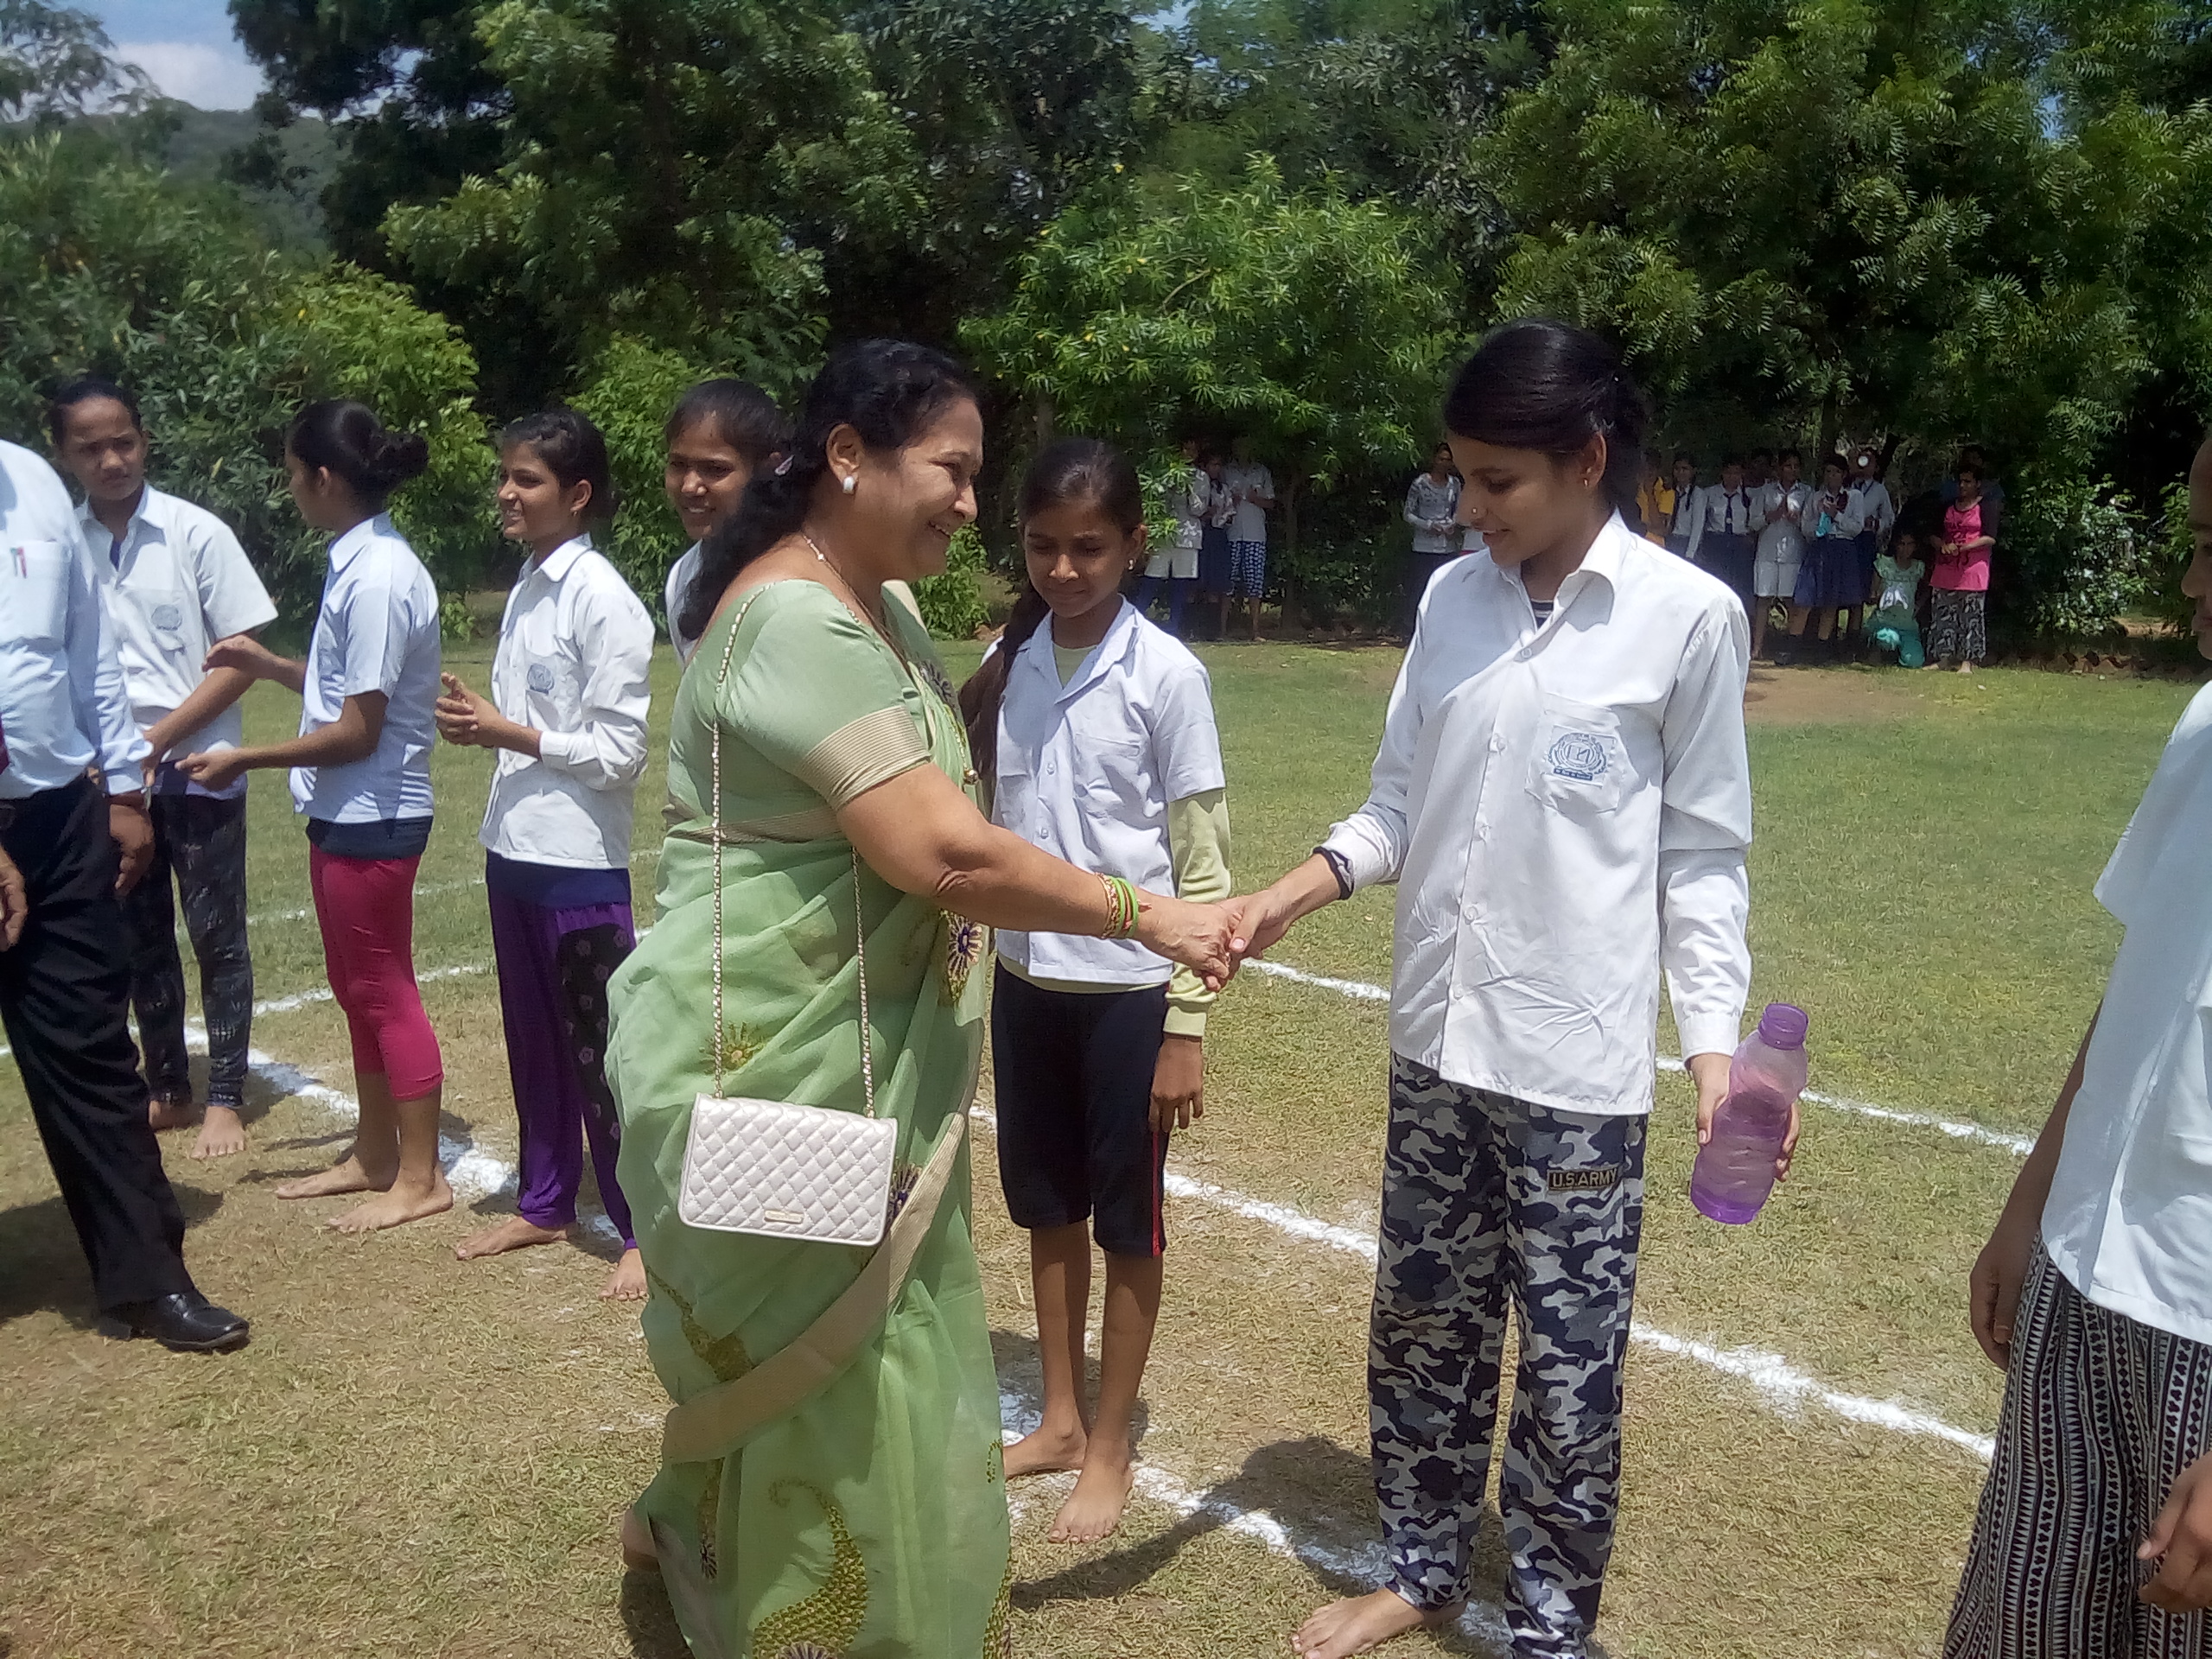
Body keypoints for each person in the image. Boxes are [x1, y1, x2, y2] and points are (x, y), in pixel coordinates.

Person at [605, 340, 1236, 1655]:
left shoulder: (874, 606)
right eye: (952, 469)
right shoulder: (796, 622)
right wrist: (1151, 914)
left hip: (856, 1055)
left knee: (851, 1333)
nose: (969, 503)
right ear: (848, 456)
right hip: (778, 1056)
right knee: (821, 1346)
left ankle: (721, 1535)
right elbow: (944, 852)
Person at [1224, 320, 1770, 1659]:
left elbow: (1703, 857)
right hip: (1436, 1045)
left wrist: (1713, 1052)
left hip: (1575, 1071)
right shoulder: (1453, 604)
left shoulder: (1686, 619)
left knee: (1571, 1374)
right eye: (1461, 475)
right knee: (1424, 1325)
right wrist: (1291, 892)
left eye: (1497, 480)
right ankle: (1419, 1569)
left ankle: (1548, 1626)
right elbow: (1399, 803)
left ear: (1588, 458)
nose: (1470, 507)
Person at [1945, 433, 2212, 1656]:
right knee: (2024, 1623)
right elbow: (2139, 992)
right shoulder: (2204, 728)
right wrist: (2030, 1204)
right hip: (2086, 1269)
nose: (2192, 583)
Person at [958, 438, 1232, 1547]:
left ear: (1134, 546)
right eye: (1042, 547)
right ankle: (1061, 1420)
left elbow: (1201, 868)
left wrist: (1185, 1027)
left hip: (1129, 995)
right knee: (1046, 1209)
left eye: (1089, 549)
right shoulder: (1009, 660)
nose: (1064, 570)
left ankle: (1110, 1444)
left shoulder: (1166, 674)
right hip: (1027, 982)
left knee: (1127, 1223)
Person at [175, 401, 448, 1235]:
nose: (290, 489)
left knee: (384, 990)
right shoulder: (357, 561)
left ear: (325, 478)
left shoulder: (381, 575)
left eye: (294, 474)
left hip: (376, 813)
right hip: (342, 812)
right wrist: (268, 666)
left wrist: (244, 757)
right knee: (355, 987)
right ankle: (373, 1154)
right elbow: (345, 689)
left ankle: (421, 1177)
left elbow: (360, 731)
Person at [0, 437, 248, 1351]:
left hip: (57, 808)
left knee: (92, 1042)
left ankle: (149, 1279)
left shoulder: (30, 482)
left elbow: (87, 654)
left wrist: (123, 792)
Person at [435, 410, 654, 1300]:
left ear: (578, 493)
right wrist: (479, 726)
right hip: (514, 850)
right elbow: (524, 722)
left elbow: (621, 753)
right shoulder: (529, 584)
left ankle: (641, 1227)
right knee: (534, 1042)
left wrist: (509, 732)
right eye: (506, 476)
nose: (506, 493)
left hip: (578, 864)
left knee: (606, 1051)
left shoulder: (602, 598)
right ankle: (546, 1200)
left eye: (525, 479)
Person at [48, 378, 279, 1161]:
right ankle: (170, 1087)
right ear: (64, 456)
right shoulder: (59, 545)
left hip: (199, 768)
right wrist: (112, 760)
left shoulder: (195, 532)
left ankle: (225, 1098)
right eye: (91, 448)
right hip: (109, 782)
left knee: (217, 936)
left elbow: (241, 659)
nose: (112, 459)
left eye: (125, 442)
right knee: (139, 937)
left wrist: (155, 741)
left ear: (145, 441)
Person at [662, 380, 787, 666]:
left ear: (768, 469)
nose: (690, 486)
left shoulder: (796, 575)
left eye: (715, 469)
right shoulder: (684, 575)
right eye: (678, 465)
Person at [1778, 456, 1864, 662]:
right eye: (1828, 472)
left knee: (1831, 601)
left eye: (1836, 472)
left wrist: (1836, 516)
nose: (1832, 476)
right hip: (1819, 547)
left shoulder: (1854, 497)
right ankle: (1791, 648)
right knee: (1805, 598)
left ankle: (1822, 650)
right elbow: (1805, 526)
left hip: (1842, 548)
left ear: (1844, 475)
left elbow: (1856, 527)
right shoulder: (1815, 497)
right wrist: (1819, 522)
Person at [1929, 462, 1998, 673]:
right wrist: (1943, 546)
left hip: (1973, 567)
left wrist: (1966, 546)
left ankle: (1968, 661)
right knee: (1944, 612)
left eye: (1968, 482)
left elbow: (1990, 537)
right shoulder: (1947, 506)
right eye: (1960, 481)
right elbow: (1933, 534)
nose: (1962, 486)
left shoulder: (1986, 506)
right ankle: (1943, 658)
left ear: (1978, 484)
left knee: (1971, 615)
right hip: (1947, 566)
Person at [1134, 435, 1204, 636]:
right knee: (1152, 577)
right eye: (1186, 449)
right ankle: (1134, 622)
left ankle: (1173, 627)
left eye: (1193, 450)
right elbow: (1154, 502)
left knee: (1181, 582)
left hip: (1187, 535)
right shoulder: (1164, 473)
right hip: (1163, 533)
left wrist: (1189, 489)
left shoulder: (1201, 477)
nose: (1189, 454)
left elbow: (1199, 509)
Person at [1751, 448, 1809, 662]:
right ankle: (1757, 648)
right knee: (1763, 599)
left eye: (1796, 466)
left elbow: (1812, 525)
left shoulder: (1806, 492)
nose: (1792, 470)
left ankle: (1788, 648)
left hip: (1793, 552)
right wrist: (1770, 517)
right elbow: (1752, 522)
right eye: (1787, 466)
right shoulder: (1765, 491)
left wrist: (1798, 520)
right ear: (1779, 468)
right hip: (1767, 551)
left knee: (1791, 600)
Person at [1402, 442, 1463, 632]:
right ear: (1434, 459)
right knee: (1421, 589)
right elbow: (1408, 514)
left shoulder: (1454, 484)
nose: (1444, 463)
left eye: (1448, 460)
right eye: (1441, 459)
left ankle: (1443, 630)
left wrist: (1453, 523)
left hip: (1447, 546)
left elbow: (1458, 509)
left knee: (1446, 589)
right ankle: (1416, 630)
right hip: (1424, 546)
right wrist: (1428, 525)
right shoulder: (1420, 483)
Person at [1684, 453, 1756, 610]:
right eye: (1728, 472)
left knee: (1740, 588)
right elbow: (1701, 521)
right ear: (1722, 473)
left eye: (1736, 473)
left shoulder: (1749, 495)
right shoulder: (1709, 494)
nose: (1732, 477)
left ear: (1742, 474)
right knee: (1716, 584)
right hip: (1716, 543)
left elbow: (1754, 521)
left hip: (1740, 544)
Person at [1222, 435, 1275, 640]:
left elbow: (1271, 503)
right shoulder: (1227, 471)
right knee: (1227, 583)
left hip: (1255, 534)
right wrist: (1231, 501)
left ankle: (1255, 631)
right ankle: (1222, 631)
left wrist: (1255, 499)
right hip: (1232, 533)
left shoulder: (1261, 472)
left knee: (1255, 583)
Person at [1845, 447, 1895, 652]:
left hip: (1865, 540)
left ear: (1876, 467)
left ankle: (1852, 640)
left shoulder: (1879, 490)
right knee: (1841, 587)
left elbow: (1889, 517)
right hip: (1845, 538)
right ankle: (1828, 637)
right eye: (1861, 460)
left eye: (1869, 461)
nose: (1864, 465)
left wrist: (1876, 524)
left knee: (1859, 591)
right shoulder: (1847, 485)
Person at [1866, 526, 1928, 668]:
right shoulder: (1883, 564)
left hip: (1907, 623)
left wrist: (1918, 606)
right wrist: (1881, 598)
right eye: (1902, 544)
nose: (1906, 549)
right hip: (1885, 621)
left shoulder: (1918, 567)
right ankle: (1877, 649)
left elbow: (1927, 589)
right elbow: (1872, 596)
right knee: (1887, 639)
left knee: (1915, 662)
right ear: (1895, 545)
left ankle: (1900, 653)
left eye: (1910, 544)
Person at [1195, 446, 1235, 634]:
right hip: (1201, 534)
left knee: (1215, 583)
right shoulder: (1196, 485)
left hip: (1217, 535)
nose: (1216, 469)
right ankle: (1190, 627)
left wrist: (1222, 516)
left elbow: (1230, 511)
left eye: (1219, 465)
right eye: (1213, 464)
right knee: (1195, 582)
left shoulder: (1223, 489)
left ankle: (1212, 631)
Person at [1662, 451, 1700, 558]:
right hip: (1669, 539)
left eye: (1685, 469)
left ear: (1693, 471)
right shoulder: (1670, 492)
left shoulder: (1697, 494)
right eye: (1677, 469)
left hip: (1686, 541)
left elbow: (1697, 526)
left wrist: (1690, 554)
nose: (1680, 472)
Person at [1633, 447, 1672, 547]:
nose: (1649, 472)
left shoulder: (1667, 491)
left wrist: (1650, 493)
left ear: (1658, 470)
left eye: (1653, 468)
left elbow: (1659, 526)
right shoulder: (1635, 488)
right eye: (1646, 468)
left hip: (1655, 544)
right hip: (1634, 542)